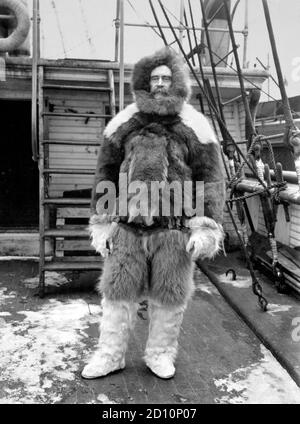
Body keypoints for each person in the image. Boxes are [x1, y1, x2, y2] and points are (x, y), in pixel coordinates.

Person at [81, 47, 225, 380]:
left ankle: (160, 353)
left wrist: (204, 226)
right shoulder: (125, 121)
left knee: (170, 295)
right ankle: (110, 355)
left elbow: (210, 179)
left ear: (177, 82)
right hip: (128, 228)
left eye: (166, 78)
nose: (160, 84)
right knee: (117, 294)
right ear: (145, 81)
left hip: (174, 229)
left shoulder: (195, 125)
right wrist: (102, 223)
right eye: (154, 78)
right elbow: (106, 172)